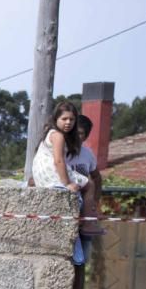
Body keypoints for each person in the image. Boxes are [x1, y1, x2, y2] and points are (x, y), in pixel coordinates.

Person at [32, 101, 103, 235]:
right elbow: (59, 161)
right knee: (90, 185)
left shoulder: (50, 133)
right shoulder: (58, 136)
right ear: (56, 119)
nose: (68, 122)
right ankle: (89, 224)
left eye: (71, 119)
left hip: (43, 176)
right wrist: (67, 184)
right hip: (51, 174)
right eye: (64, 119)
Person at [65, 114, 103, 289]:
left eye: (81, 134)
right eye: (74, 133)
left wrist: (94, 202)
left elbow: (96, 177)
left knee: (81, 262)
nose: (77, 137)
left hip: (84, 217)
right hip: (65, 215)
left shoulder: (87, 155)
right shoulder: (60, 152)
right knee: (66, 261)